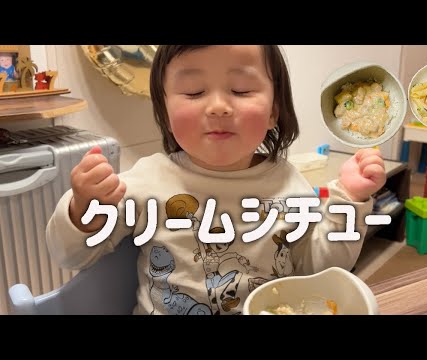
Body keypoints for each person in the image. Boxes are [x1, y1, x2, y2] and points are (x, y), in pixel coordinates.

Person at [46, 45, 386, 315]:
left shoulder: (288, 181)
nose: (219, 106)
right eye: (194, 92)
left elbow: (319, 268)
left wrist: (349, 198)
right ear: (164, 112)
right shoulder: (147, 181)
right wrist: (83, 209)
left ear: (273, 111)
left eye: (240, 90)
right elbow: (68, 255)